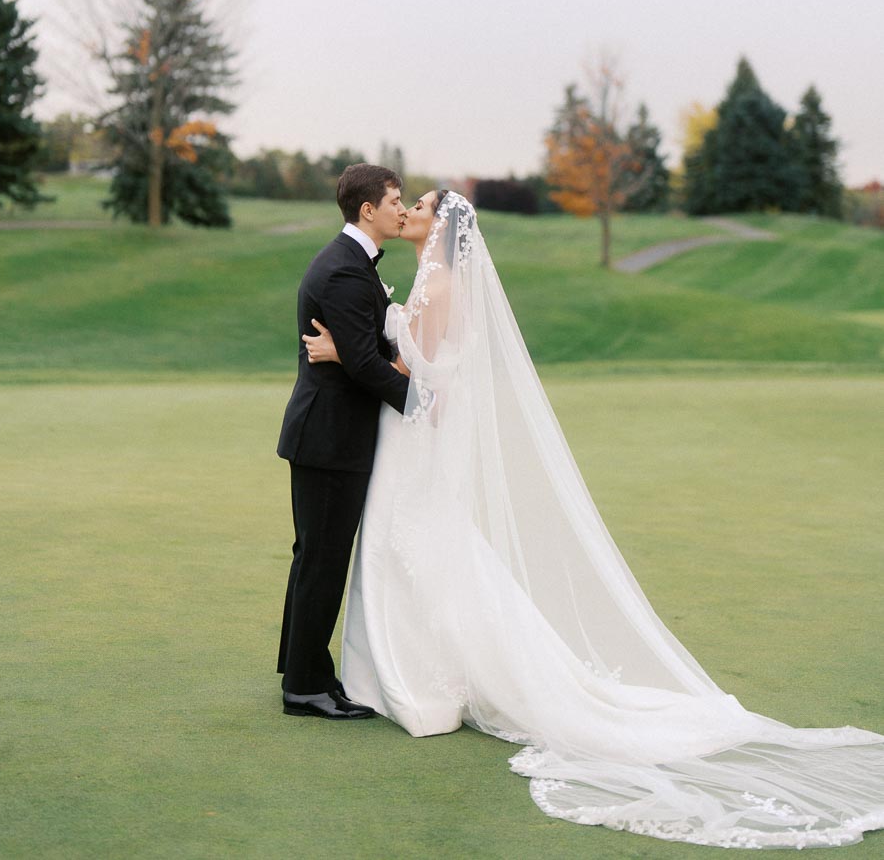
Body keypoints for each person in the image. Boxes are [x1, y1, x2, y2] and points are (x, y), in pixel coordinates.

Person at [303, 189, 884, 847]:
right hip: (407, 439)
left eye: (421, 205)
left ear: (439, 228)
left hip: (416, 439)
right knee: (417, 551)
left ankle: (421, 680)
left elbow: (421, 381)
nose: (407, 208)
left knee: (410, 546)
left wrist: (343, 357)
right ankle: (406, 669)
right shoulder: (429, 280)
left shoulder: (439, 290)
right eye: (404, 202)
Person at [275, 163, 409, 720]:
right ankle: (305, 685)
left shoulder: (352, 264)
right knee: (323, 560)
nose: (402, 209)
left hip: (329, 436)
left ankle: (306, 671)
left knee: (316, 557)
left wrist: (354, 354)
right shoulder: (346, 272)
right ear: (368, 210)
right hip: (331, 440)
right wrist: (422, 402)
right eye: (396, 200)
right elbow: (363, 362)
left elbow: (358, 351)